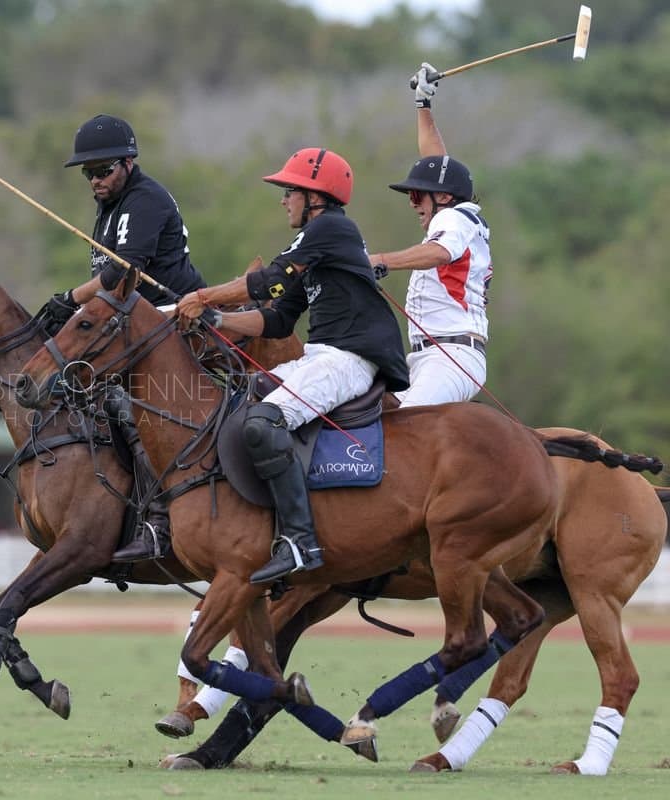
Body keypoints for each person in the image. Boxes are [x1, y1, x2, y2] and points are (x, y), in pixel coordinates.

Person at [177, 147, 408, 585]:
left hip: (349, 360)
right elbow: (278, 317)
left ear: (314, 197)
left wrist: (205, 296)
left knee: (264, 423)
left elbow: (268, 279)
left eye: (289, 191)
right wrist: (218, 321)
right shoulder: (318, 244)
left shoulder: (331, 230)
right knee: (238, 404)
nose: (284, 200)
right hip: (318, 358)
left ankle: (301, 542)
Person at [47, 114, 208, 562]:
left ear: (129, 163)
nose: (95, 180)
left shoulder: (146, 200)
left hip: (173, 320)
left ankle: (158, 521)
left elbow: (121, 275)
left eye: (102, 171)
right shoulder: (110, 206)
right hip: (132, 329)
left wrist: (68, 299)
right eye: (88, 173)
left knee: (126, 407)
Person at [366, 62, 492, 407]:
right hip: (429, 356)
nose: (413, 202)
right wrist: (423, 104)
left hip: (452, 357)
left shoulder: (454, 219)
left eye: (417, 195)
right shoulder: (457, 212)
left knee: (404, 426)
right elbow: (439, 164)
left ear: (444, 198)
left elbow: (440, 252)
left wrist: (379, 260)